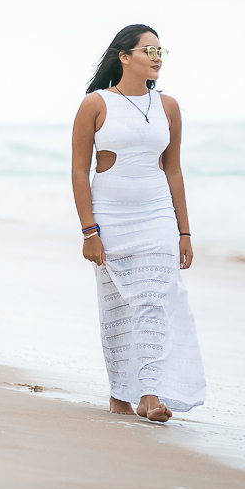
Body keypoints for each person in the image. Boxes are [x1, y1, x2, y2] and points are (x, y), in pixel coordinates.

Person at [70, 24, 206, 422]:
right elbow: (80, 172)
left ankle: (149, 393)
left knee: (153, 302)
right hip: (111, 218)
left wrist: (184, 231)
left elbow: (174, 170)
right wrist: (89, 231)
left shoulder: (169, 107)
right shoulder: (95, 104)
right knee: (117, 308)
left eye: (161, 52)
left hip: (157, 215)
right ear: (125, 57)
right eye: (149, 50)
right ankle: (120, 393)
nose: (157, 58)